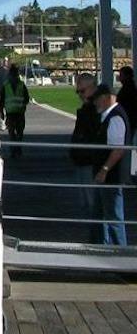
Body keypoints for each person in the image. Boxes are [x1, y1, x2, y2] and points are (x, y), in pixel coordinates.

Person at [91, 83, 129, 246]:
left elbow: (118, 149)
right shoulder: (109, 116)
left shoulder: (115, 117)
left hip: (111, 177)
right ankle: (106, 247)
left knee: (113, 216)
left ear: (106, 98)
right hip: (107, 176)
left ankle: (120, 251)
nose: (95, 102)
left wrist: (104, 169)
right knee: (106, 214)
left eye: (97, 99)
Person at [68, 73, 102, 242]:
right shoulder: (86, 109)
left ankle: (99, 240)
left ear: (92, 88)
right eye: (78, 92)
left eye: (82, 91)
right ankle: (95, 238)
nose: (80, 95)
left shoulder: (95, 110)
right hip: (82, 160)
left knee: (93, 203)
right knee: (87, 203)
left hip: (90, 161)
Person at [1, 63, 31, 151]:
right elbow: (27, 98)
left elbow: (2, 100)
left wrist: (1, 111)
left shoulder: (6, 85)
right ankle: (17, 148)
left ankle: (14, 149)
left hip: (11, 113)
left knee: (12, 132)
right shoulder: (21, 85)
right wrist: (23, 105)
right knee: (19, 132)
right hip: (19, 112)